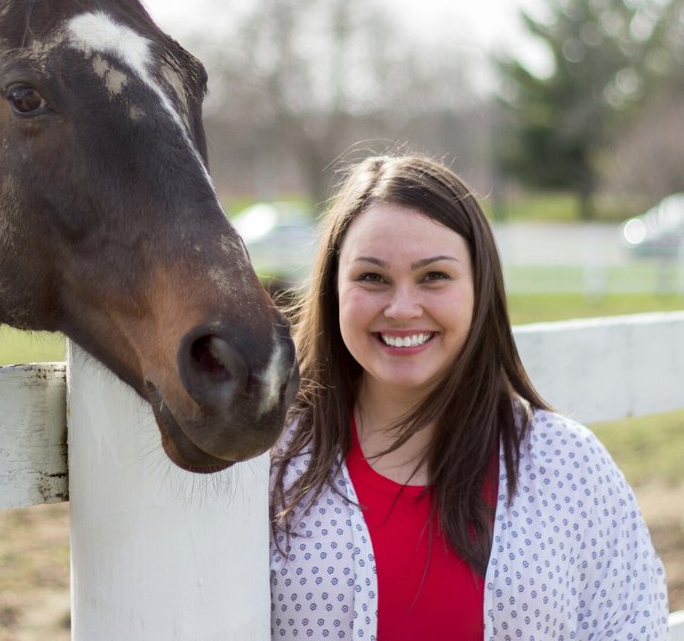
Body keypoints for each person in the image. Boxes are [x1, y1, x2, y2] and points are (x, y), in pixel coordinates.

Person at [270, 153, 668, 640]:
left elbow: (635, 628)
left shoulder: (569, 467)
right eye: (371, 277)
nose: (401, 308)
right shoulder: (270, 466)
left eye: (434, 276)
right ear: (334, 290)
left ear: (480, 288)